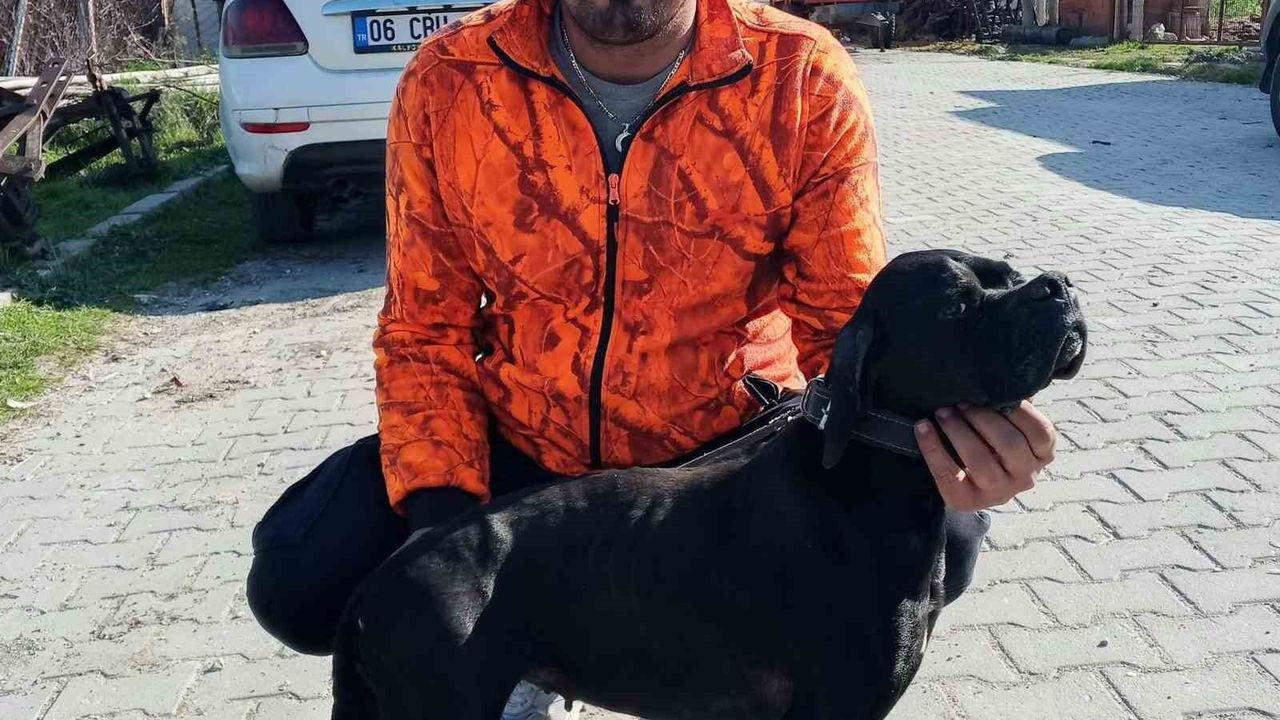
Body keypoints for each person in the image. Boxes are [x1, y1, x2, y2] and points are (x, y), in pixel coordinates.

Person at [246, 0, 1059, 717]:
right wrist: (453, 546)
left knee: (941, 536)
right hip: (523, 445)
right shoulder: (451, 77)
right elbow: (424, 329)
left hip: (724, 456)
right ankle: (529, 650)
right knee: (304, 574)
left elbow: (842, 319)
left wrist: (943, 435)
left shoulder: (799, 73)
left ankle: (715, 672)